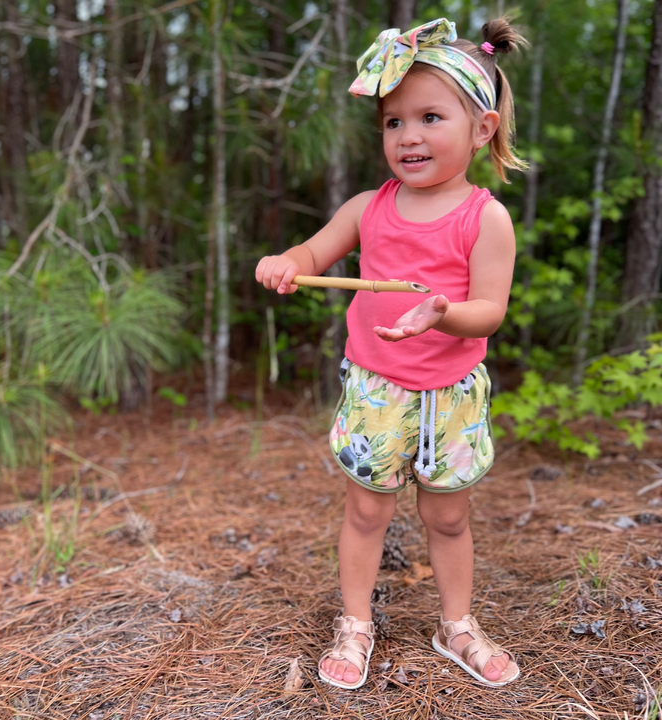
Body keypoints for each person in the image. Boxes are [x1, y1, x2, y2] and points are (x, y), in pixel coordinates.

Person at [255, 17, 525, 689]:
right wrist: (286, 262)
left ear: (482, 129)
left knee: (448, 515)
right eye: (393, 122)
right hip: (378, 388)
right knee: (368, 510)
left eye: (430, 117)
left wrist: (442, 311)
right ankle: (356, 623)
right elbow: (312, 253)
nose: (407, 137)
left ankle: (455, 624)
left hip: (451, 395)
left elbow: (489, 311)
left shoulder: (484, 218)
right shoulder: (368, 208)